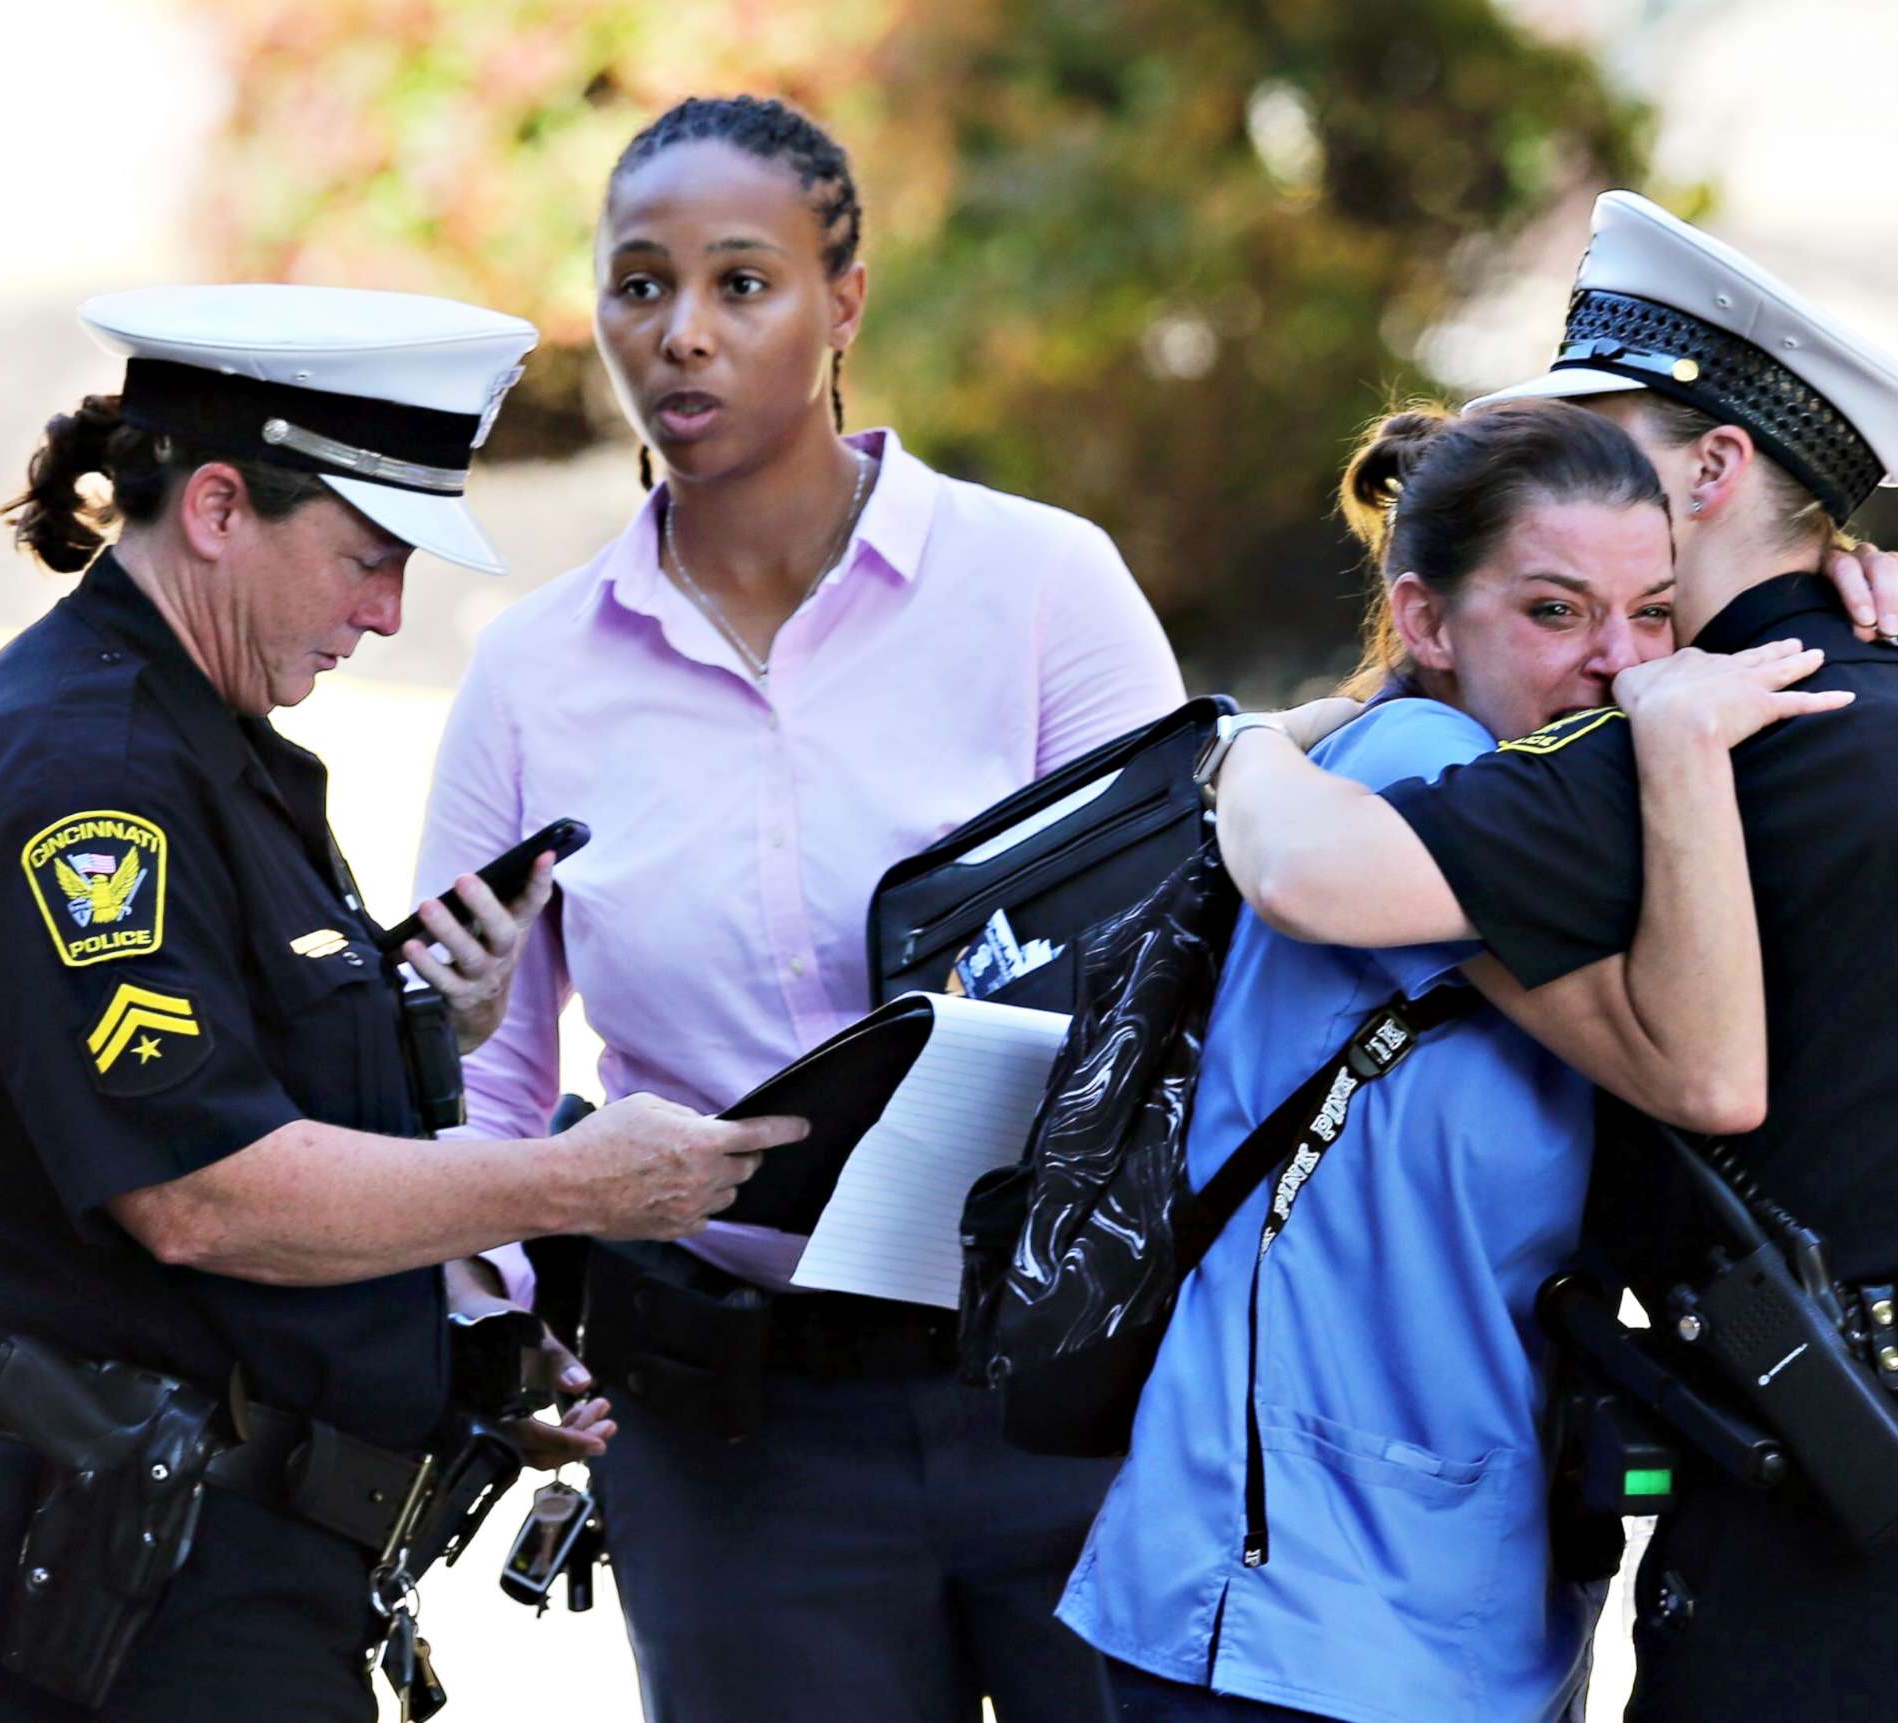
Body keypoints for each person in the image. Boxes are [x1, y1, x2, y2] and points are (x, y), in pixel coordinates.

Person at [1200, 193, 1898, 1723]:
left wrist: (1238, 742)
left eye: (1602, 442)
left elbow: (1304, 868)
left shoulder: (1646, 758)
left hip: (1861, 1534)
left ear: (1712, 466)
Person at [0, 283, 804, 1723]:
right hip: (115, 1591)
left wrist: (437, 1075)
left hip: (214, 1568)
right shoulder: (83, 779)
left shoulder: (205, 742)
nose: (387, 612)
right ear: (222, 510)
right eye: (367, 558)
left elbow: (243, 1107)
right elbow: (204, 1196)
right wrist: (568, 1184)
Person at [415, 95, 1185, 1723]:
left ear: (845, 301)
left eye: (741, 284)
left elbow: (1175, 978)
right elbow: (474, 1062)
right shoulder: (533, 673)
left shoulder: (1044, 589)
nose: (680, 335)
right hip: (727, 1441)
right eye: (639, 286)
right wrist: (496, 1331)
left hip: (1063, 1398)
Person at [1061, 398, 1873, 1723]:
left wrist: (1838, 577)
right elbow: (1712, 1074)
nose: (1621, 665)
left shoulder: (1509, 782)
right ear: (1428, 622)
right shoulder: (1430, 770)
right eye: (1555, 614)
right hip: (1296, 1613)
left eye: (1656, 615)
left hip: (1439, 1598)